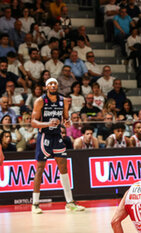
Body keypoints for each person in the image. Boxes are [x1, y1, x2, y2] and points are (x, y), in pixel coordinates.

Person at [31, 78, 85, 214]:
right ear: (46, 87)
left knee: (63, 168)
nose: (53, 85)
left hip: (57, 137)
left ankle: (69, 202)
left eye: (55, 83)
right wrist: (47, 124)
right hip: (44, 136)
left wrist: (67, 122)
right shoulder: (40, 101)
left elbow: (66, 118)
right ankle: (35, 204)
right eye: (50, 83)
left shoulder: (64, 100)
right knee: (40, 169)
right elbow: (33, 122)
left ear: (57, 86)